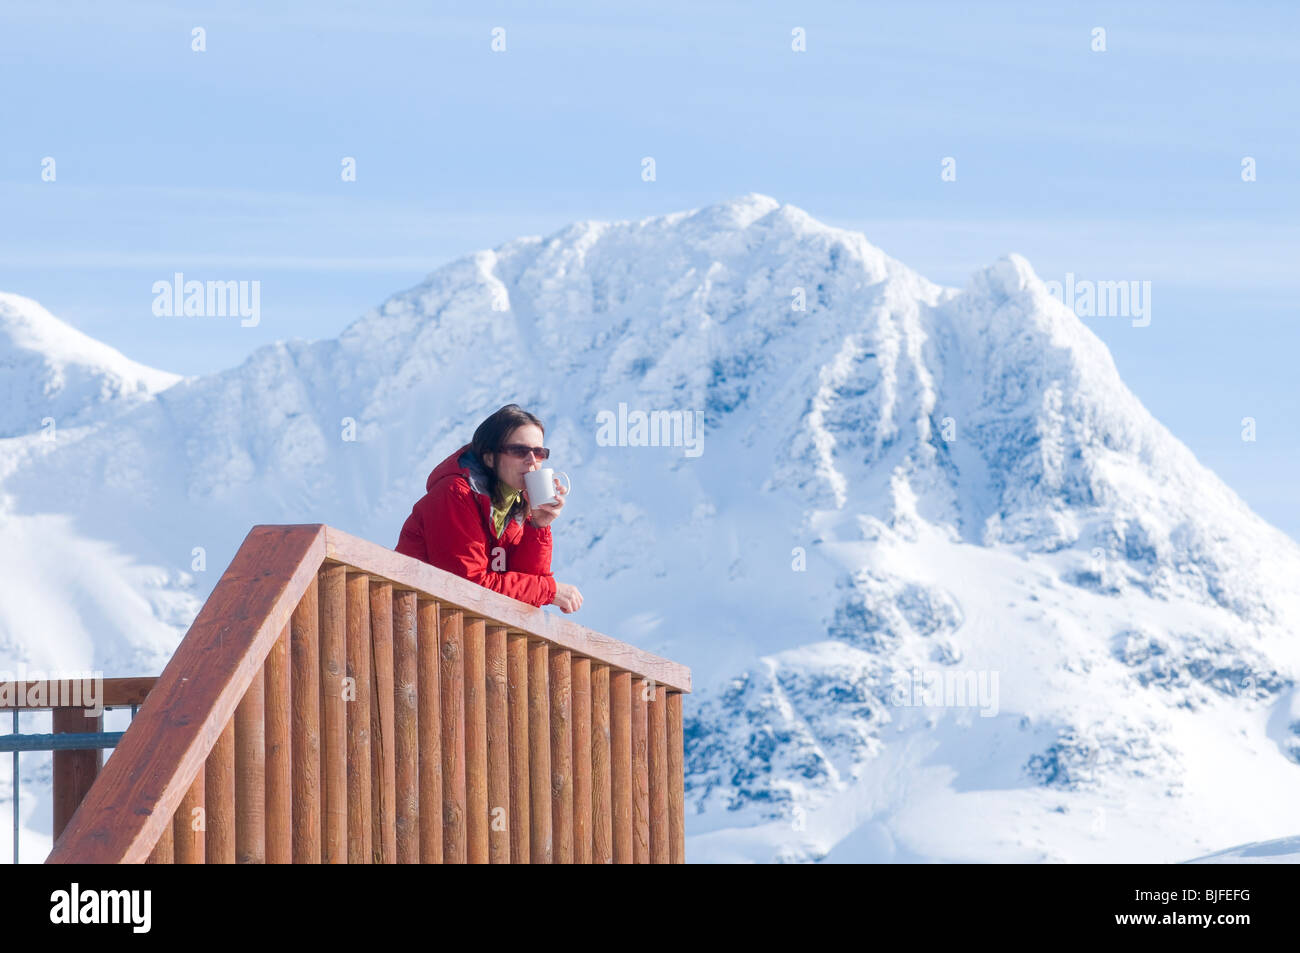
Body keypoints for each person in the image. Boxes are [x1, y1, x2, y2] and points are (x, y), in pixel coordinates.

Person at [394, 404, 584, 613]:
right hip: (413, 623)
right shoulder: (456, 494)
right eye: (519, 451)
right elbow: (469, 587)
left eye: (539, 453)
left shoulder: (515, 505)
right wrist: (549, 590)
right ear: (490, 458)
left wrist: (538, 525)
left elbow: (523, 596)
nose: (531, 461)